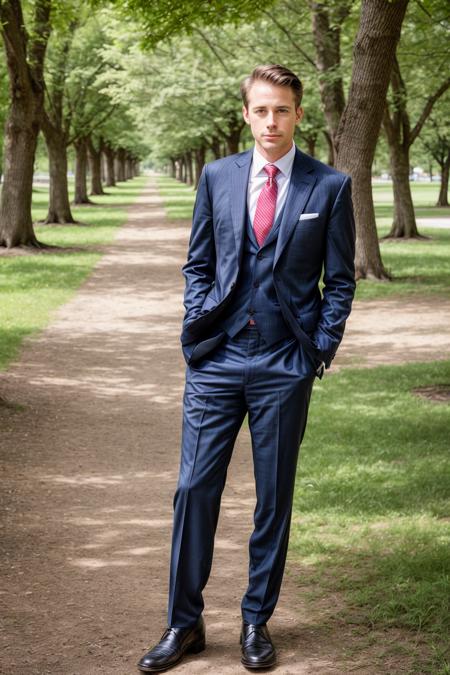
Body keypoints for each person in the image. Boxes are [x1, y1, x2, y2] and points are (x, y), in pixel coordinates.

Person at [138, 64, 356, 672]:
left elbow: (339, 281)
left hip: (284, 363)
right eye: (261, 109)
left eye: (281, 110)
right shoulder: (217, 176)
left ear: (298, 115)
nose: (271, 120)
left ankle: (256, 620)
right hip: (217, 358)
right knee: (192, 489)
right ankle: (184, 624)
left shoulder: (329, 186)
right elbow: (199, 262)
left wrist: (317, 348)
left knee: (273, 497)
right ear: (246, 114)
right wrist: (198, 322)